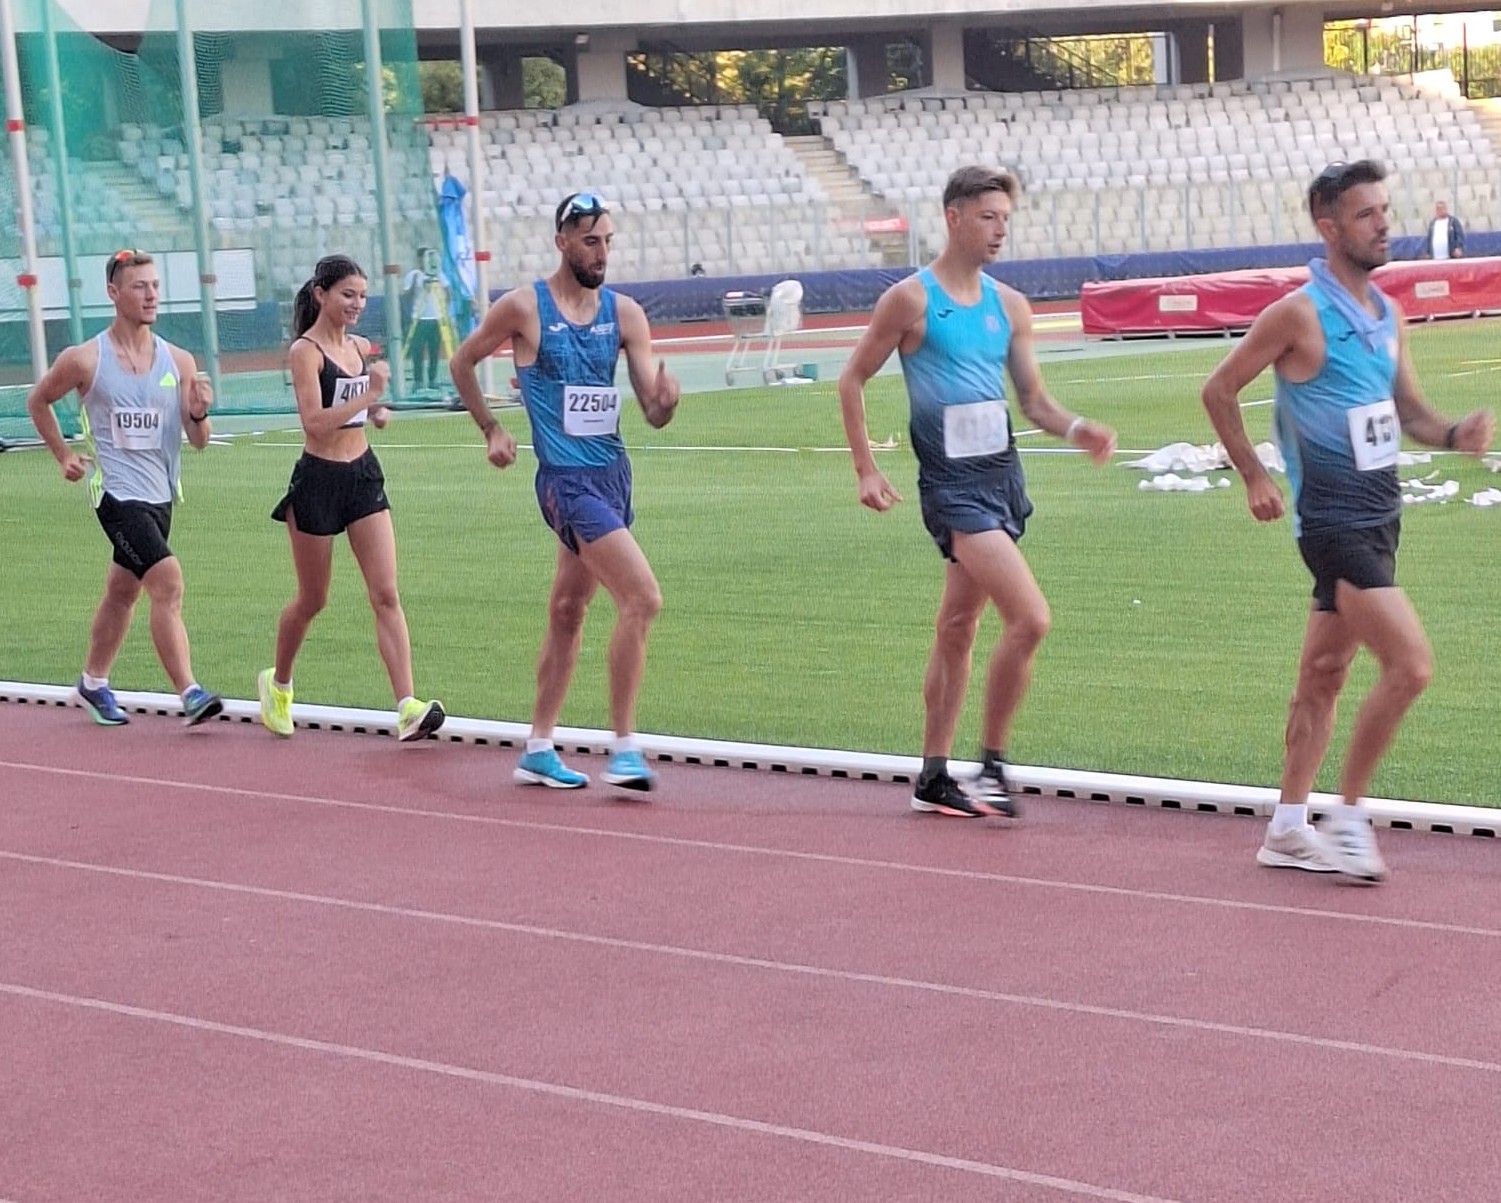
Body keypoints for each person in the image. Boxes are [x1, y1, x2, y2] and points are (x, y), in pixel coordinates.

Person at [1202, 160, 1494, 883]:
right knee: (1410, 666)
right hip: (1331, 524)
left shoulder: (1387, 314)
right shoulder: (1297, 315)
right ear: (1328, 227)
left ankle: (1285, 828)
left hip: (1382, 518)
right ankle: (1348, 816)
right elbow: (1219, 389)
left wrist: (1452, 432)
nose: (1383, 224)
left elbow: (1408, 411)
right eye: (1366, 214)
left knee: (1324, 674)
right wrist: (1254, 475)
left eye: (1384, 210)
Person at [837, 166, 1117, 819]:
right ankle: (991, 766)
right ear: (954, 218)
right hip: (952, 488)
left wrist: (1078, 429)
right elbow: (851, 379)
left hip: (1002, 481)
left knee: (958, 625)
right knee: (1030, 618)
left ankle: (933, 775)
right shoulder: (910, 300)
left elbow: (1034, 401)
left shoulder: (1009, 306)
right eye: (987, 217)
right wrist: (865, 469)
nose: (999, 230)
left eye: (1005, 219)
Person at [447, 191, 680, 792]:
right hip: (566, 483)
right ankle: (624, 748)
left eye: (607, 242)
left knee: (568, 610)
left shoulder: (625, 314)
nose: (601, 253)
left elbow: (652, 411)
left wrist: (665, 403)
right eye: (590, 242)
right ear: (562, 242)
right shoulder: (524, 307)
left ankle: (538, 747)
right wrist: (492, 429)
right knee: (643, 598)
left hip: (613, 476)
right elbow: (462, 362)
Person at [25, 248, 223, 728]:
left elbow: (198, 440)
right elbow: (38, 400)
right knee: (167, 581)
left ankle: (93, 683)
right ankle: (190, 692)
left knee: (122, 592)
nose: (151, 295)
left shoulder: (178, 360)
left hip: (161, 496)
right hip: (115, 495)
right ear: (114, 293)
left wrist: (199, 413)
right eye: (140, 287)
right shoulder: (85, 359)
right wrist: (64, 456)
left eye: (155, 286)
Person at [258, 253, 446, 744]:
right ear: (321, 294)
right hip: (318, 481)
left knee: (386, 593)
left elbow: (360, 406)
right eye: (348, 294)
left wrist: (375, 409)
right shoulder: (306, 352)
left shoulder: (359, 347)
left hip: (362, 476)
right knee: (313, 599)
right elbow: (315, 423)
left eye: (362, 296)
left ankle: (407, 706)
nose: (357, 304)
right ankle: (278, 684)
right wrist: (368, 396)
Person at [402, 247, 446, 394]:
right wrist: (415, 284)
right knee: (417, 352)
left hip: (436, 318)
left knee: (434, 351)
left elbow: (448, 291)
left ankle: (433, 379)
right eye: (422, 258)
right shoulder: (413, 275)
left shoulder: (438, 274)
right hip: (419, 319)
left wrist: (442, 297)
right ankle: (418, 381)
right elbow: (406, 296)